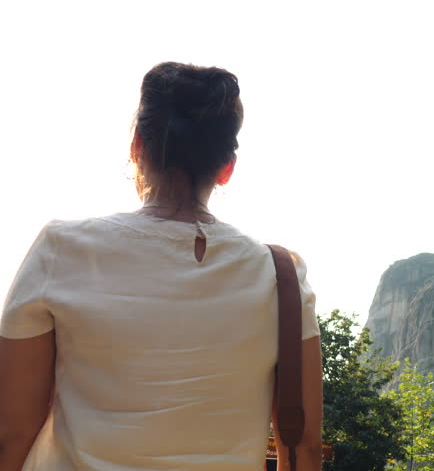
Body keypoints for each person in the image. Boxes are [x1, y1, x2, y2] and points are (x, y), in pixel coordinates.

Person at [0, 62, 323, 471]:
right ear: (227, 168)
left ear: (137, 145)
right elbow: (306, 446)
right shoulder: (280, 276)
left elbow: (10, 432)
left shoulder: (61, 250)